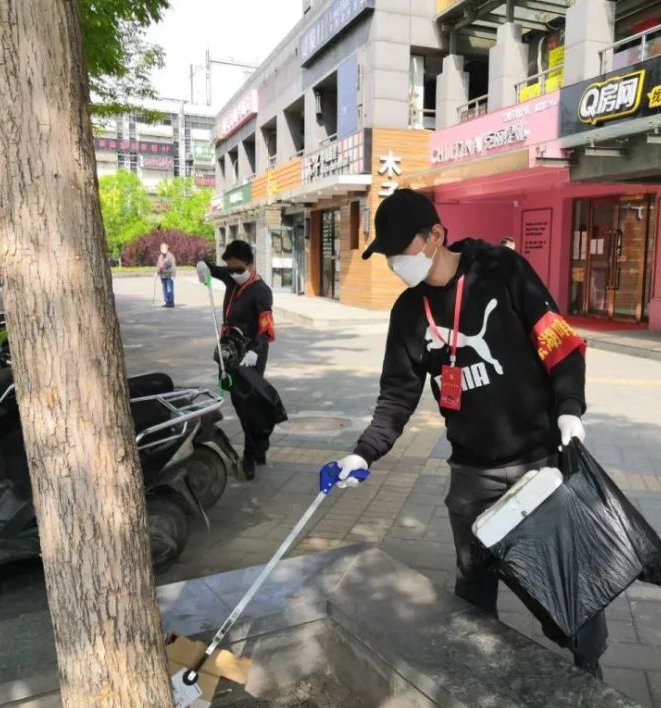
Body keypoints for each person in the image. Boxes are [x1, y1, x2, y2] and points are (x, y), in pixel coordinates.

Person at [326, 189, 606, 678]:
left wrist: (569, 409)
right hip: (471, 473)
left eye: (402, 249)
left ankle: (588, 665)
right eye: (388, 254)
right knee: (473, 585)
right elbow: (397, 397)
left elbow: (558, 341)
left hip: (537, 464)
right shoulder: (409, 314)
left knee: (564, 580)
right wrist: (363, 453)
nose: (396, 262)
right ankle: (477, 674)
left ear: (436, 235)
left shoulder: (502, 270)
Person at [209, 240, 275, 480]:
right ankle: (260, 443)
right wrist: (202, 266)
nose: (234, 274)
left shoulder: (261, 291)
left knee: (250, 402)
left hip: (252, 352)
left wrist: (255, 350)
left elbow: (266, 326)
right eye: (231, 269)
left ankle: (251, 451)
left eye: (239, 269)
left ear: (250, 264)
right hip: (231, 349)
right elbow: (214, 270)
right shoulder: (231, 277)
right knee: (237, 399)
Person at [157, 243, 176, 308]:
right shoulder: (160, 256)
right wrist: (157, 273)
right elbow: (159, 266)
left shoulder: (170, 256)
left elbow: (173, 266)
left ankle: (171, 302)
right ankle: (167, 301)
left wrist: (173, 275)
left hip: (169, 275)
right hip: (163, 276)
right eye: (162, 248)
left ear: (167, 248)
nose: (163, 249)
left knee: (169, 289)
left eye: (164, 248)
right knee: (164, 289)